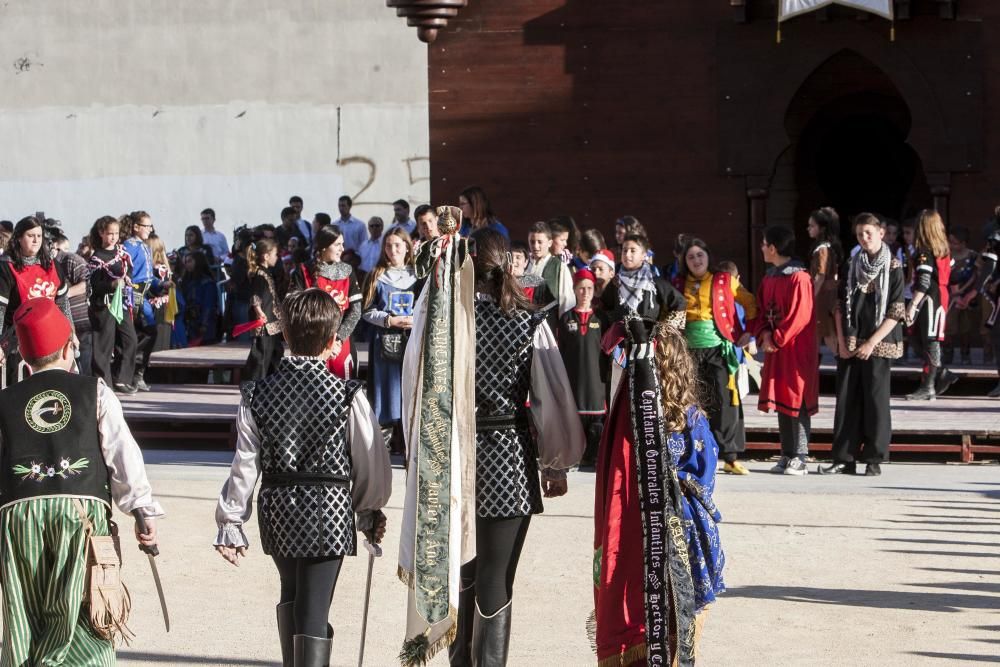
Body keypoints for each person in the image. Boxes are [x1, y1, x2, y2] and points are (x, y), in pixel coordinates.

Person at [398, 223, 583, 666]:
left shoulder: (443, 327)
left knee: (461, 575)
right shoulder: (527, 323)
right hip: (507, 458)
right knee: (495, 580)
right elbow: (551, 394)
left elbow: (413, 385)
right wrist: (555, 463)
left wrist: (416, 450)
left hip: (453, 456)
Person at [215, 288, 391, 667]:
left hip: (279, 510)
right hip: (328, 511)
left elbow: (245, 462)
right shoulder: (346, 394)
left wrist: (232, 518)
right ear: (332, 343)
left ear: (286, 335)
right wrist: (369, 508)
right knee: (311, 610)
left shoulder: (257, 394)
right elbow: (368, 457)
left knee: (293, 595)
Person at [0, 297, 163, 665]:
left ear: (25, 358)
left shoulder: (5, 400)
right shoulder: (95, 391)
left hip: (17, 515)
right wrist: (142, 510)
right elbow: (122, 454)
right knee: (83, 613)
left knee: (24, 614)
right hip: (79, 512)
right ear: (68, 345)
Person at [594, 318, 724, 667]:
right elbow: (705, 469)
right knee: (675, 610)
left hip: (643, 528)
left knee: (644, 602)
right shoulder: (692, 416)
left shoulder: (630, 420)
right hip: (685, 529)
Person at [821, 213, 906, 476]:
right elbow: (838, 304)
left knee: (875, 400)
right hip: (850, 339)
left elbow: (895, 311)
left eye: (869, 232)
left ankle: (873, 458)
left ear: (881, 232)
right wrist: (840, 340)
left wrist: (871, 342)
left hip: (878, 342)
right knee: (846, 400)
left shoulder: (893, 267)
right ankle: (844, 457)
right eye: (860, 234)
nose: (864, 238)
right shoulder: (851, 264)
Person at [678, 238, 758, 475]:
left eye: (700, 255)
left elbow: (750, 302)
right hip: (687, 351)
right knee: (691, 402)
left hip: (717, 348)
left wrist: (748, 333)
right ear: (684, 262)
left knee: (725, 400)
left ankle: (730, 457)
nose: (696, 260)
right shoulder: (678, 282)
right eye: (691, 257)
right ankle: (691, 454)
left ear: (708, 257)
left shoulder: (724, 280)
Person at [749, 226, 818, 475]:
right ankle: (786, 453)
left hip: (795, 350)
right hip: (776, 348)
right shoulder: (770, 277)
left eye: (764, 243)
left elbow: (799, 317)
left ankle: (800, 455)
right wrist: (764, 333)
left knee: (796, 399)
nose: (761, 248)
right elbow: (761, 309)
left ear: (773, 248)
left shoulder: (800, 278)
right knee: (781, 399)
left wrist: (776, 338)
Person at [361, 228, 418, 455]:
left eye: (397, 245)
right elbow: (366, 311)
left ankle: (410, 454)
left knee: (409, 395)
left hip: (411, 342)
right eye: (388, 246)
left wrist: (414, 320)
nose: (393, 250)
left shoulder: (418, 276)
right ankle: (381, 453)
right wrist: (389, 320)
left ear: (407, 247)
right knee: (386, 397)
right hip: (384, 346)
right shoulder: (376, 275)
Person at [0, 216, 74, 385]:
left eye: (39, 236)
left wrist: (71, 331)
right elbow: (0, 310)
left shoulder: (52, 265)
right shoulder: (6, 267)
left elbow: (62, 302)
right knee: (20, 388)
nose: (35, 240)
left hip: (52, 337)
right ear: (19, 238)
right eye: (30, 235)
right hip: (18, 340)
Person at [289, 226, 362, 379]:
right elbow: (293, 310)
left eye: (343, 244)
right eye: (337, 244)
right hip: (311, 347)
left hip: (341, 348)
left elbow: (355, 311)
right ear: (323, 247)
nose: (342, 249)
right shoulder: (303, 271)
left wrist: (338, 341)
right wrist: (319, 343)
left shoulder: (347, 271)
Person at [556, 268, 608, 468]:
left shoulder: (601, 318)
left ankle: (593, 456)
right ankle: (575, 454)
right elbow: (560, 350)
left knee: (596, 420)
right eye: (581, 289)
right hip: (573, 378)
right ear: (574, 290)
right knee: (574, 420)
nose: (585, 293)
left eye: (589, 288)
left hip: (597, 379)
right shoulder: (566, 318)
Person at [905, 210, 954, 401]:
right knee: (920, 339)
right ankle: (940, 373)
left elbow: (924, 281)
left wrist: (913, 305)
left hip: (930, 298)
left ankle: (928, 386)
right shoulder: (942, 249)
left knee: (930, 341)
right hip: (937, 295)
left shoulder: (925, 250)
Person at [87, 216, 138, 394]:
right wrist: (112, 284)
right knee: (103, 344)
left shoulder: (122, 252)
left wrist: (127, 279)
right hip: (104, 305)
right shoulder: (97, 258)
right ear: (101, 233)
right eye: (110, 233)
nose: (114, 237)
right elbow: (94, 285)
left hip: (121, 303)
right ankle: (103, 382)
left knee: (129, 339)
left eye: (116, 233)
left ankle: (122, 378)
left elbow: (127, 269)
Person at [121, 211, 157, 390]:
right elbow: (127, 272)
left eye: (151, 226)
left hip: (144, 295)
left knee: (149, 332)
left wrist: (161, 283)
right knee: (141, 334)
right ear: (136, 227)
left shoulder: (143, 245)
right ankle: (133, 373)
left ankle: (139, 373)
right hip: (134, 295)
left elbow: (147, 274)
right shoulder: (130, 245)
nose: (150, 229)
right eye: (147, 226)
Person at [241, 240, 284, 380]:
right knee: (261, 356)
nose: (277, 257)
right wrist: (259, 312)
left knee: (275, 354)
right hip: (265, 324)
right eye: (275, 254)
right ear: (266, 256)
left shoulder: (266, 273)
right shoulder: (259, 274)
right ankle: (254, 386)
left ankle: (271, 385)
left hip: (272, 323)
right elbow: (255, 296)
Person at [806, 207, 842, 356]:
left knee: (826, 332)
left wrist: (810, 297)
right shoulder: (828, 247)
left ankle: (840, 359)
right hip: (827, 293)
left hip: (821, 296)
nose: (808, 229)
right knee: (825, 332)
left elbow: (820, 277)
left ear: (822, 228)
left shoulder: (823, 250)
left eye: (812, 225)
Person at [943, 226, 979, 366]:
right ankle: (948, 353)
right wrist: (954, 293)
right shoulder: (947, 256)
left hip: (967, 297)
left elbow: (977, 275)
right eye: (949, 242)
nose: (951, 245)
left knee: (966, 328)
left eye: (954, 242)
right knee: (949, 327)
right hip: (951, 297)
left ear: (964, 243)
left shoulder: (973, 256)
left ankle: (965, 353)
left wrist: (964, 292)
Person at [526, 220, 574, 315]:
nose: (535, 246)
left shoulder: (559, 267)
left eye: (540, 242)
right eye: (532, 242)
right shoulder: (524, 265)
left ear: (549, 243)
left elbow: (568, 302)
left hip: (549, 323)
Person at [178, 251, 220, 347]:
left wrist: (204, 324)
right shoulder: (186, 281)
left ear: (198, 261)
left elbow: (209, 305)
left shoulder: (207, 282)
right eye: (185, 262)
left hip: (204, 325)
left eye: (190, 261)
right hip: (190, 324)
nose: (187, 264)